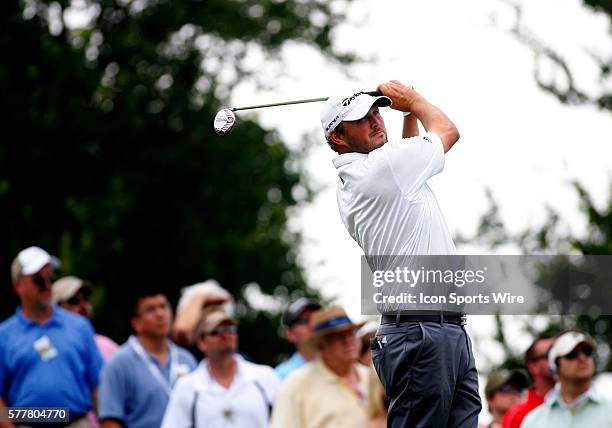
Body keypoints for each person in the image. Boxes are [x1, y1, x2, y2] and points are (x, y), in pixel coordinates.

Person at [321, 81, 480, 426]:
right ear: (338, 137)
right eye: (362, 119)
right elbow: (447, 132)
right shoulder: (382, 169)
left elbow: (405, 151)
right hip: (421, 333)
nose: (376, 120)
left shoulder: (367, 173)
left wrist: (406, 113)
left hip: (437, 330)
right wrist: (413, 100)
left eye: (377, 111)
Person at [0, 246, 103, 428]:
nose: (47, 285)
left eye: (51, 278)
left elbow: (97, 385)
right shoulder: (5, 335)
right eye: (39, 280)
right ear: (18, 286)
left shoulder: (79, 326)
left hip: (76, 422)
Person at [161, 309, 280, 428]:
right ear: (201, 343)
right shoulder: (186, 387)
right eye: (215, 331)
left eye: (231, 329)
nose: (225, 335)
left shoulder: (265, 377)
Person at [98, 292, 197, 428]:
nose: (160, 314)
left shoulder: (187, 359)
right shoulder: (119, 363)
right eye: (151, 310)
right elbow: (110, 419)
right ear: (136, 323)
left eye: (164, 307)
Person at [269, 306, 376, 428]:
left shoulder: (372, 377)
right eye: (337, 336)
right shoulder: (296, 386)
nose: (348, 340)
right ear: (321, 345)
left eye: (351, 332)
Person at [521, 330, 612, 428]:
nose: (582, 358)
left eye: (587, 352)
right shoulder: (533, 421)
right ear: (555, 365)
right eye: (572, 354)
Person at [53, 275, 119, 361]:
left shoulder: (107, 346)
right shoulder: (48, 347)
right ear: (55, 308)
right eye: (73, 301)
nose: (83, 306)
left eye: (86, 299)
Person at [501, 335, 555, 428]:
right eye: (550, 354)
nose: (557, 358)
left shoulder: (581, 402)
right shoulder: (517, 416)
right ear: (534, 366)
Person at [172, 280, 234, 348]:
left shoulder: (242, 358)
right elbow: (182, 331)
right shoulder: (186, 354)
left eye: (230, 328)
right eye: (214, 332)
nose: (224, 335)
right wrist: (201, 298)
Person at [275, 297, 322, 380]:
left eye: (317, 318)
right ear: (290, 334)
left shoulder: (341, 366)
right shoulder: (280, 376)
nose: (313, 324)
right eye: (305, 320)